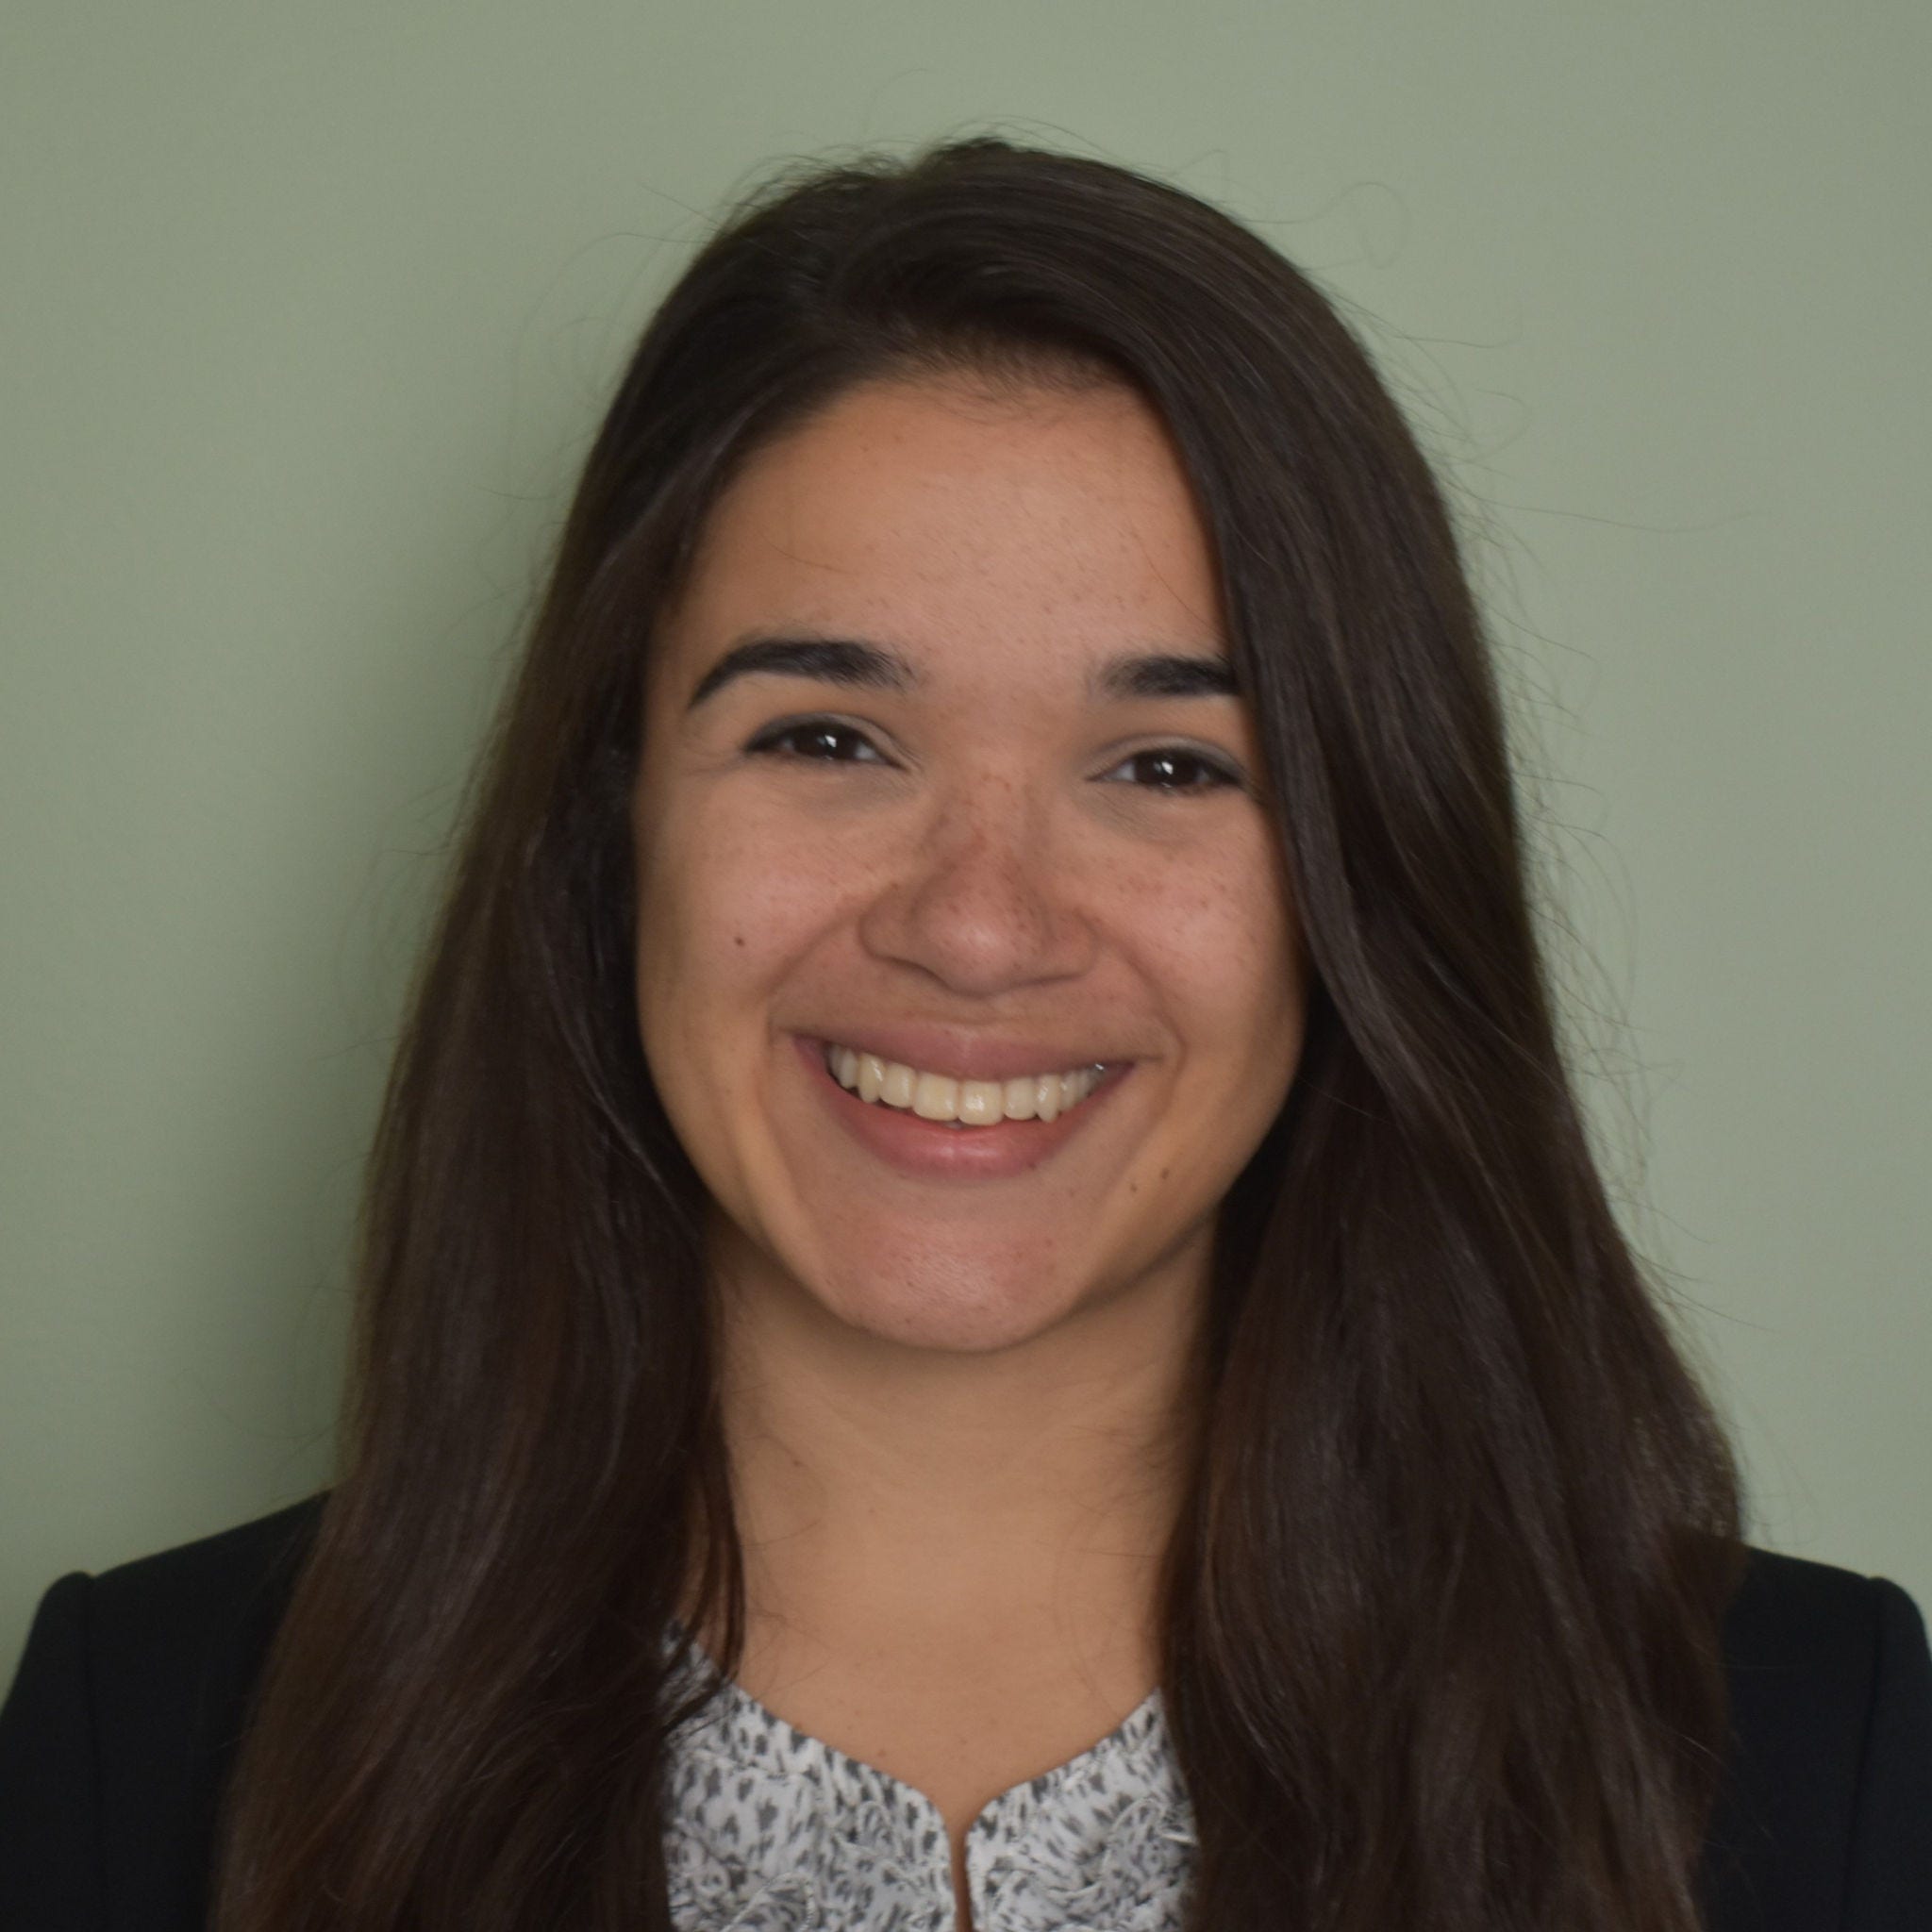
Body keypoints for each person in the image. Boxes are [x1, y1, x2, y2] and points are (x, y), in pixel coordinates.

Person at [1, 134, 1927, 1932]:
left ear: (1360, 884)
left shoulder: (1808, 1751)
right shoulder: (145, 1737)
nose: (979, 921)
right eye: (828, 737)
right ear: (613, 828)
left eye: (1168, 762)